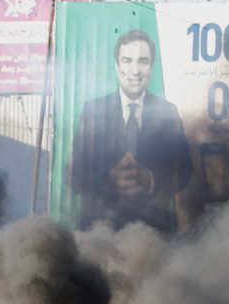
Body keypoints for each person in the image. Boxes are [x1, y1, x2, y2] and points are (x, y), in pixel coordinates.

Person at [69, 28, 193, 233]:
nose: (135, 71)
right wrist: (107, 181)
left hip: (152, 232)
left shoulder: (168, 111)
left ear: (151, 67)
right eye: (127, 61)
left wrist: (152, 179)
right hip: (101, 232)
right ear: (117, 67)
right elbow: (74, 174)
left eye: (143, 61)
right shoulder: (93, 110)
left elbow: (186, 171)